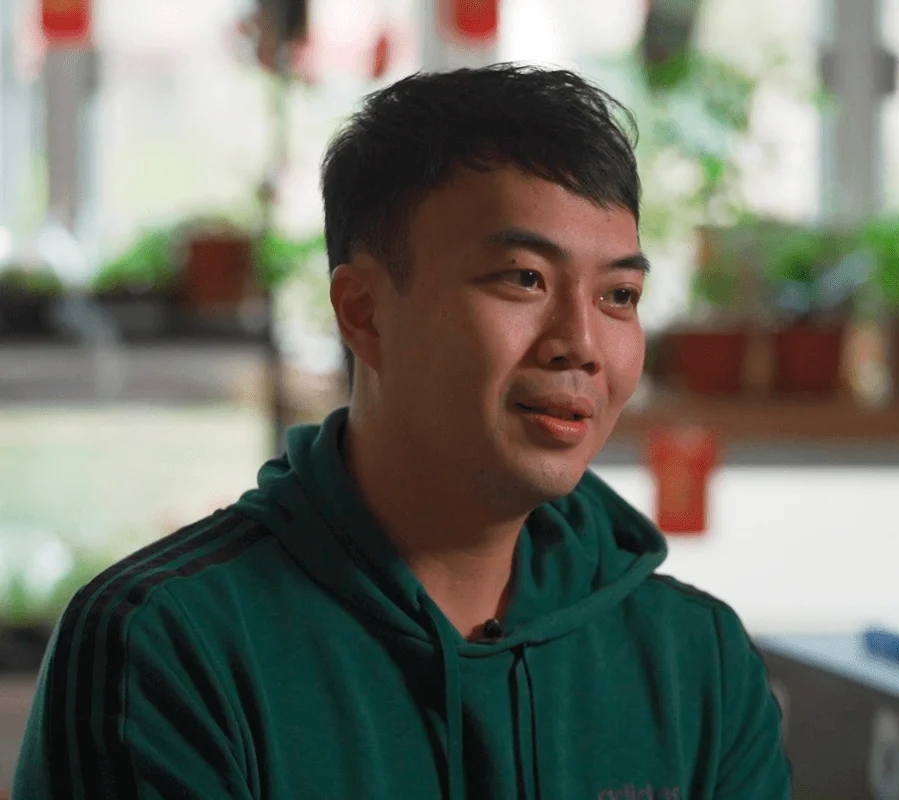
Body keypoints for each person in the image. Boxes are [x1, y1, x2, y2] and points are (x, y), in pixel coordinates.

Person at [13, 64, 790, 799]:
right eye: (524, 278)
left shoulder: (698, 664)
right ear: (364, 313)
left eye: (619, 295)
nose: (581, 344)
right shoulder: (166, 646)